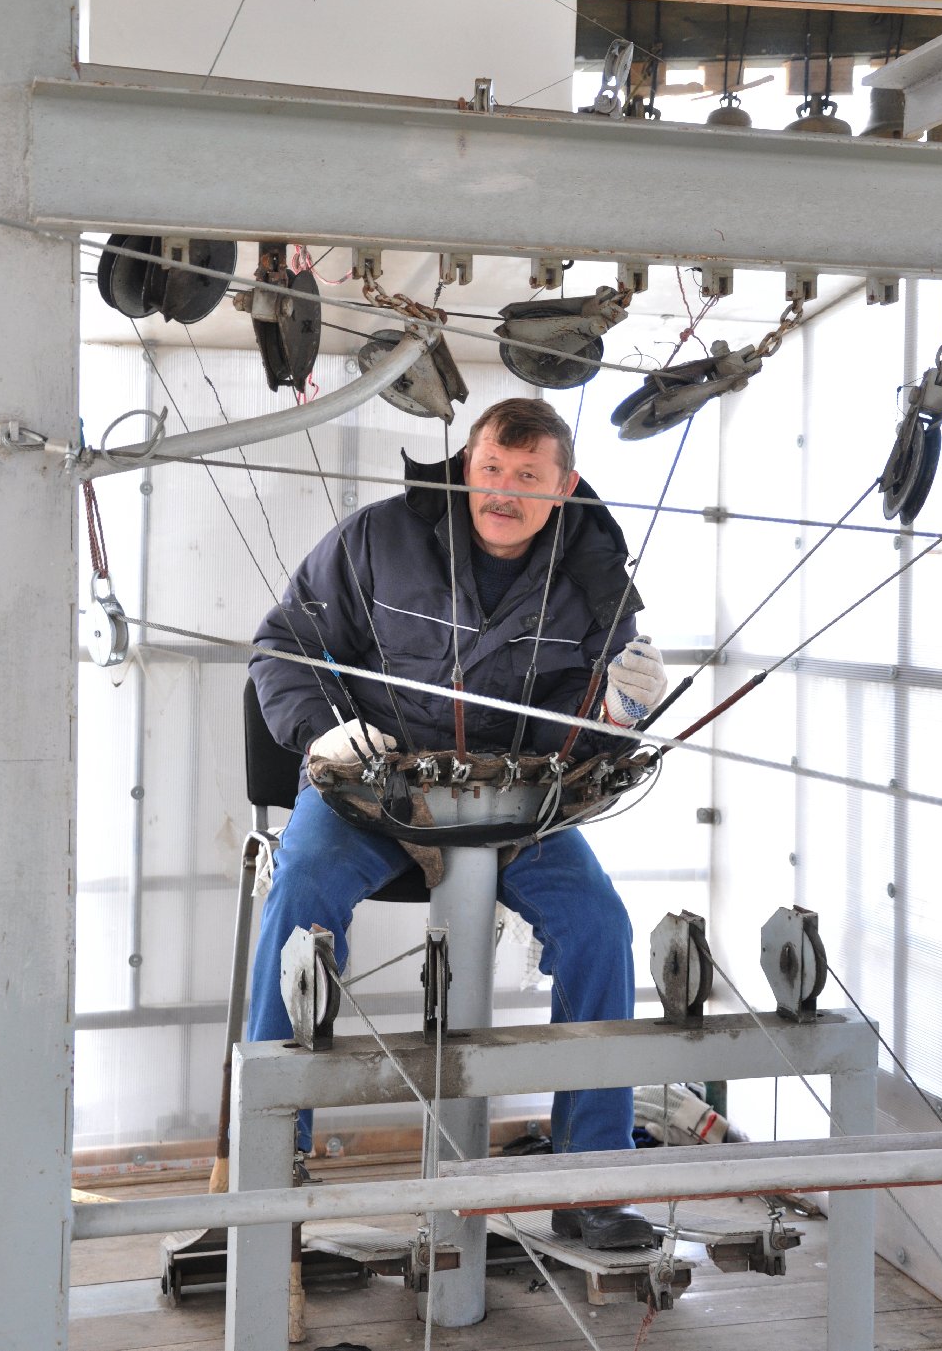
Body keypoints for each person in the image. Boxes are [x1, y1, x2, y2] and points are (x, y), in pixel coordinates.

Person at [248, 397, 667, 1249]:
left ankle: (591, 1178)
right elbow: (282, 644)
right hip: (371, 789)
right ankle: (270, 1163)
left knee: (600, 926)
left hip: (513, 803)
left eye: (527, 476)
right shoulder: (379, 538)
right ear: (465, 466)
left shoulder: (595, 578)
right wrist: (325, 731)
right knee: (300, 894)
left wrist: (620, 715)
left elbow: (585, 731)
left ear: (565, 485)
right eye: (490, 469)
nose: (502, 491)